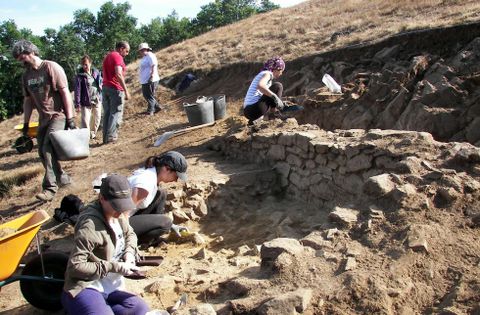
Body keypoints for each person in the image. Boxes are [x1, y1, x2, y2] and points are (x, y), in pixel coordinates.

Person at [62, 174, 150, 315]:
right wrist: (115, 266)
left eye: (123, 205)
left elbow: (130, 234)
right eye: (116, 206)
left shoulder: (118, 216)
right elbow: (75, 266)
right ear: (102, 199)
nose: (120, 210)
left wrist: (129, 253)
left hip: (110, 285)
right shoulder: (90, 226)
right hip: (87, 285)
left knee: (140, 309)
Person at [12, 39, 76, 202]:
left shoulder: (50, 67)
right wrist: (26, 124)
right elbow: (28, 101)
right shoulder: (26, 76)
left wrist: (70, 118)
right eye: (18, 59)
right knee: (42, 151)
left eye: (21, 57)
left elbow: (64, 92)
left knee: (47, 147)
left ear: (31, 52)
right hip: (43, 119)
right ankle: (63, 178)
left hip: (58, 115)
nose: (20, 61)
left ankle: (49, 189)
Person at [128, 151, 188, 245]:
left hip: (127, 218)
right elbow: (122, 212)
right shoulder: (145, 183)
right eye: (176, 176)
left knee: (161, 193)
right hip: (115, 224)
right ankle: (139, 243)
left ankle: (153, 239)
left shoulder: (152, 178)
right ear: (167, 169)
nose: (176, 180)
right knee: (166, 222)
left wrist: (172, 226)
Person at [243, 56, 286, 125]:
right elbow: (261, 86)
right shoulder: (267, 74)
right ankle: (275, 114)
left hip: (248, 112)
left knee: (269, 93)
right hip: (253, 109)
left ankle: (255, 121)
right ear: (277, 69)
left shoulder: (264, 75)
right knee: (278, 86)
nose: (281, 74)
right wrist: (275, 98)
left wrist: (276, 100)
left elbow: (263, 95)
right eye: (281, 71)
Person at [102, 41, 130, 144]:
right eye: (126, 51)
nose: (127, 54)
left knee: (107, 113)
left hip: (105, 88)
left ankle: (105, 138)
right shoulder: (118, 57)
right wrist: (126, 90)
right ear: (121, 48)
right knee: (116, 113)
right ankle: (112, 137)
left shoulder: (107, 56)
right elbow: (118, 73)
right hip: (115, 88)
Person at [74, 55, 103, 139]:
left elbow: (100, 82)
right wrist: (77, 104)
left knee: (97, 118)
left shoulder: (96, 72)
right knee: (85, 121)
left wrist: (101, 86)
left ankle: (92, 134)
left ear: (90, 63)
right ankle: (85, 137)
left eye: (86, 64)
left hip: (97, 99)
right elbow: (77, 91)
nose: (85, 66)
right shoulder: (80, 76)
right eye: (83, 64)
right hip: (86, 102)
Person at [138, 43, 162, 116]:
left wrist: (151, 76)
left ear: (147, 49)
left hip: (151, 79)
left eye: (143, 50)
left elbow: (153, 65)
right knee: (147, 95)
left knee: (149, 95)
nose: (142, 51)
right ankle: (157, 107)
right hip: (144, 80)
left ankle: (150, 111)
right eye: (141, 50)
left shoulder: (150, 55)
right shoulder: (145, 57)